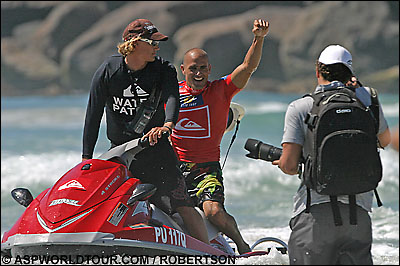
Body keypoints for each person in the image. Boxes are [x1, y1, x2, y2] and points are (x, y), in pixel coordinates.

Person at [82, 18, 209, 244]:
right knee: (111, 206)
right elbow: (93, 115)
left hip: (157, 151)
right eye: (152, 42)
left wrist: (168, 124)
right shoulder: (108, 71)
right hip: (121, 154)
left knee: (183, 204)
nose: (157, 47)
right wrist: (86, 158)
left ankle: (211, 254)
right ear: (134, 44)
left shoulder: (163, 70)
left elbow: (172, 97)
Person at [272, 45, 391, 264]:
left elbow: (289, 166)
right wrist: (361, 93)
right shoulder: (368, 102)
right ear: (350, 74)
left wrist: (286, 161)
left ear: (318, 71)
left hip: (315, 216)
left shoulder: (300, 107)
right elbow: (384, 141)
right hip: (359, 215)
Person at [170, 19, 270, 254]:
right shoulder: (171, 94)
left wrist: (259, 38)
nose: (198, 73)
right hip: (173, 168)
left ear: (209, 70)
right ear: (183, 69)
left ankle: (243, 247)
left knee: (213, 211)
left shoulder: (220, 90)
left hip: (206, 169)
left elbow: (247, 67)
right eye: (193, 68)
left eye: (203, 68)